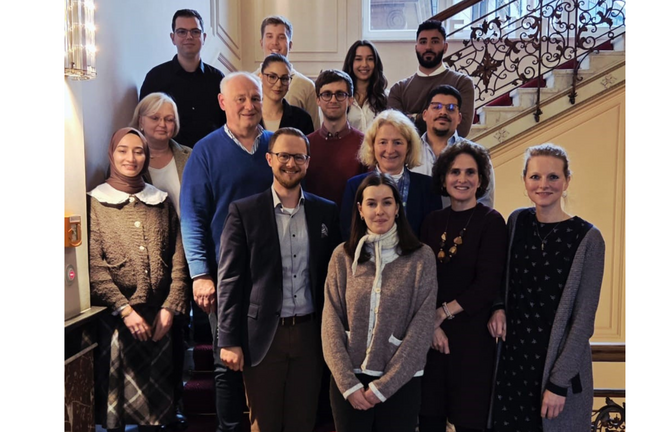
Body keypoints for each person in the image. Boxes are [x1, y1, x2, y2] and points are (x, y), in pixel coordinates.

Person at [217, 127, 341, 432]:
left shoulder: (326, 212)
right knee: (264, 424)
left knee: (303, 422)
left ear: (308, 162)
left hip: (311, 335)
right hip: (263, 337)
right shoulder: (244, 212)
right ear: (270, 159)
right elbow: (229, 281)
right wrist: (229, 340)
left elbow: (334, 276)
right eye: (284, 155)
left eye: (299, 157)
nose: (291, 163)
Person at [488, 143, 606, 432]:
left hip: (554, 369)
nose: (544, 185)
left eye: (553, 177)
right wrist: (497, 307)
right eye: (535, 177)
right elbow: (499, 277)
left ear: (566, 181)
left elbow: (583, 322)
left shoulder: (588, 238)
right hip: (512, 366)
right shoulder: (517, 221)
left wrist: (558, 382)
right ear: (525, 181)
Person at [180, 72, 274, 432]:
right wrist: (201, 274)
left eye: (254, 98)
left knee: (267, 354)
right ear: (223, 103)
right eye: (240, 99)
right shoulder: (205, 150)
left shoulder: (275, 146)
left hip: (270, 272)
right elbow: (193, 215)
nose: (249, 105)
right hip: (225, 273)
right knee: (226, 359)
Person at [89, 128, 189, 432]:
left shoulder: (160, 200)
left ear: (146, 155)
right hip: (119, 319)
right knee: (118, 416)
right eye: (122, 150)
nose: (130, 158)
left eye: (138, 151)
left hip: (160, 316)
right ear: (111, 153)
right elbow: (94, 266)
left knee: (159, 415)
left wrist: (171, 307)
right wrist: (125, 310)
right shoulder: (95, 201)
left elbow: (178, 258)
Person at [322, 173, 438, 432]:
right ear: (360, 210)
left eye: (387, 202)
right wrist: (348, 384)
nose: (379, 211)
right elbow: (330, 322)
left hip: (401, 381)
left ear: (397, 208)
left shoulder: (421, 257)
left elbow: (421, 328)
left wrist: (382, 388)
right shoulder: (342, 256)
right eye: (371, 204)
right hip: (349, 382)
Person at [417, 141, 507, 432]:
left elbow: (487, 283)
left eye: (471, 172)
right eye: (455, 172)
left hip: (472, 340)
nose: (462, 179)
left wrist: (441, 314)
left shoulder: (491, 221)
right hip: (430, 341)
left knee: (470, 422)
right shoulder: (432, 221)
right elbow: (420, 279)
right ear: (444, 177)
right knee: (428, 419)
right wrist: (431, 325)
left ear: (480, 180)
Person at [130, 92, 191, 429]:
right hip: (146, 261)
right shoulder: (129, 157)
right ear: (141, 121)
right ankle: (146, 410)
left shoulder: (188, 156)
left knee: (178, 331)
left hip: (184, 255)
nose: (163, 124)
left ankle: (175, 401)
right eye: (155, 118)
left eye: (169, 118)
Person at [340, 109, 441, 238]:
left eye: (397, 142)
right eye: (383, 142)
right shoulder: (354, 186)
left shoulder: (428, 187)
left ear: (408, 146)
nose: (390, 150)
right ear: (372, 145)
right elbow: (348, 234)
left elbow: (432, 234)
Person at [140, 9, 226, 148]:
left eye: (195, 31)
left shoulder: (218, 79)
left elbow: (227, 124)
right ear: (172, 38)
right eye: (182, 32)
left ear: (204, 37)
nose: (189, 36)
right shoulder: (155, 78)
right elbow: (144, 124)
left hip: (211, 156)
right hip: (169, 159)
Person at [411, 85, 495, 208]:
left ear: (459, 117)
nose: (443, 112)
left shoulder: (476, 154)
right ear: (424, 114)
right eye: (436, 107)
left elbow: (485, 200)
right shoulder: (409, 152)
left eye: (451, 108)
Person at [388, 20, 475, 137]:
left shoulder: (462, 83)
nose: (428, 47)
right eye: (423, 42)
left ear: (445, 47)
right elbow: (397, 132)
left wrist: (414, 118)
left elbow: (461, 129)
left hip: (448, 155)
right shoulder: (398, 90)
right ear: (416, 47)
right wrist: (440, 119)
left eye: (435, 41)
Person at [305, 69, 367, 208]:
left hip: (353, 224)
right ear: (318, 100)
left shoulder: (365, 144)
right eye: (327, 94)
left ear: (350, 100)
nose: (333, 100)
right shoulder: (305, 144)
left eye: (340, 94)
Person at [255, 15, 320, 126]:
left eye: (281, 37)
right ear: (261, 43)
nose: (275, 42)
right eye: (269, 36)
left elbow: (313, 130)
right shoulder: (248, 81)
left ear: (290, 45)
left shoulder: (306, 86)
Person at [259, 53, 314, 134]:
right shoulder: (249, 114)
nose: (279, 84)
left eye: (284, 79)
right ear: (261, 77)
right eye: (272, 77)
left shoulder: (302, 118)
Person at [342, 40, 388, 132]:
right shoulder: (341, 97)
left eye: (370, 59)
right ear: (351, 63)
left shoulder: (386, 97)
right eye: (358, 59)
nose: (364, 64)